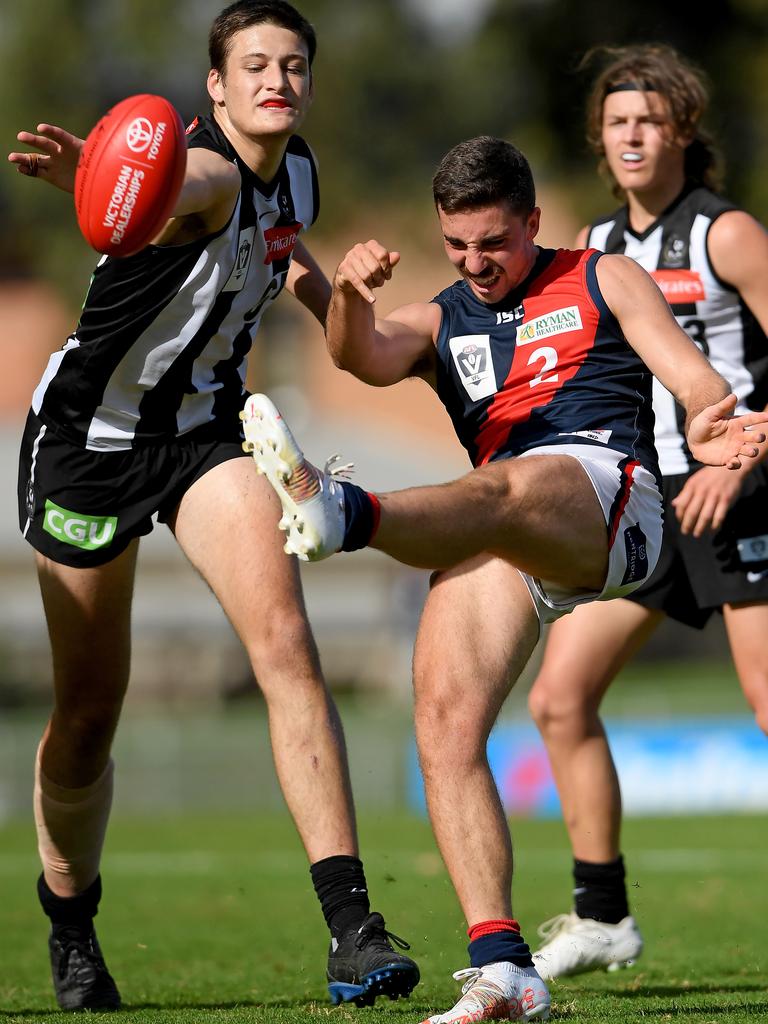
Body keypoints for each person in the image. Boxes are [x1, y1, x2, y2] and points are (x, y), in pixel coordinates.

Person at [240, 134, 768, 1024]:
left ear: (532, 221)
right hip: (501, 524)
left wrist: (711, 415)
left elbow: (687, 374)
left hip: (613, 500)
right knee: (445, 723)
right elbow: (358, 356)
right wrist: (344, 295)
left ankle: (344, 513)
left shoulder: (605, 276)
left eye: (495, 241)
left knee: (505, 484)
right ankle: (505, 968)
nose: (476, 263)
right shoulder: (445, 317)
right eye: (457, 246)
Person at [8, 0, 419, 1012]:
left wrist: (352, 309)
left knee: (286, 643)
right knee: (89, 715)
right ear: (217, 89)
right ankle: (70, 916)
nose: (277, 78)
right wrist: (108, 185)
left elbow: (291, 266)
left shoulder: (300, 174)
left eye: (292, 64)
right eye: (254, 65)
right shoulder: (203, 174)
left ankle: (353, 928)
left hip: (204, 435)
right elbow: (170, 200)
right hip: (89, 445)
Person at [521, 44, 768, 982]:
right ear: (600, 140)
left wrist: (744, 454)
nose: (631, 135)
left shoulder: (728, 235)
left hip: (744, 489)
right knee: (557, 697)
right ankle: (603, 919)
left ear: (682, 134)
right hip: (650, 501)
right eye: (617, 121)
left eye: (649, 121)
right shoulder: (594, 251)